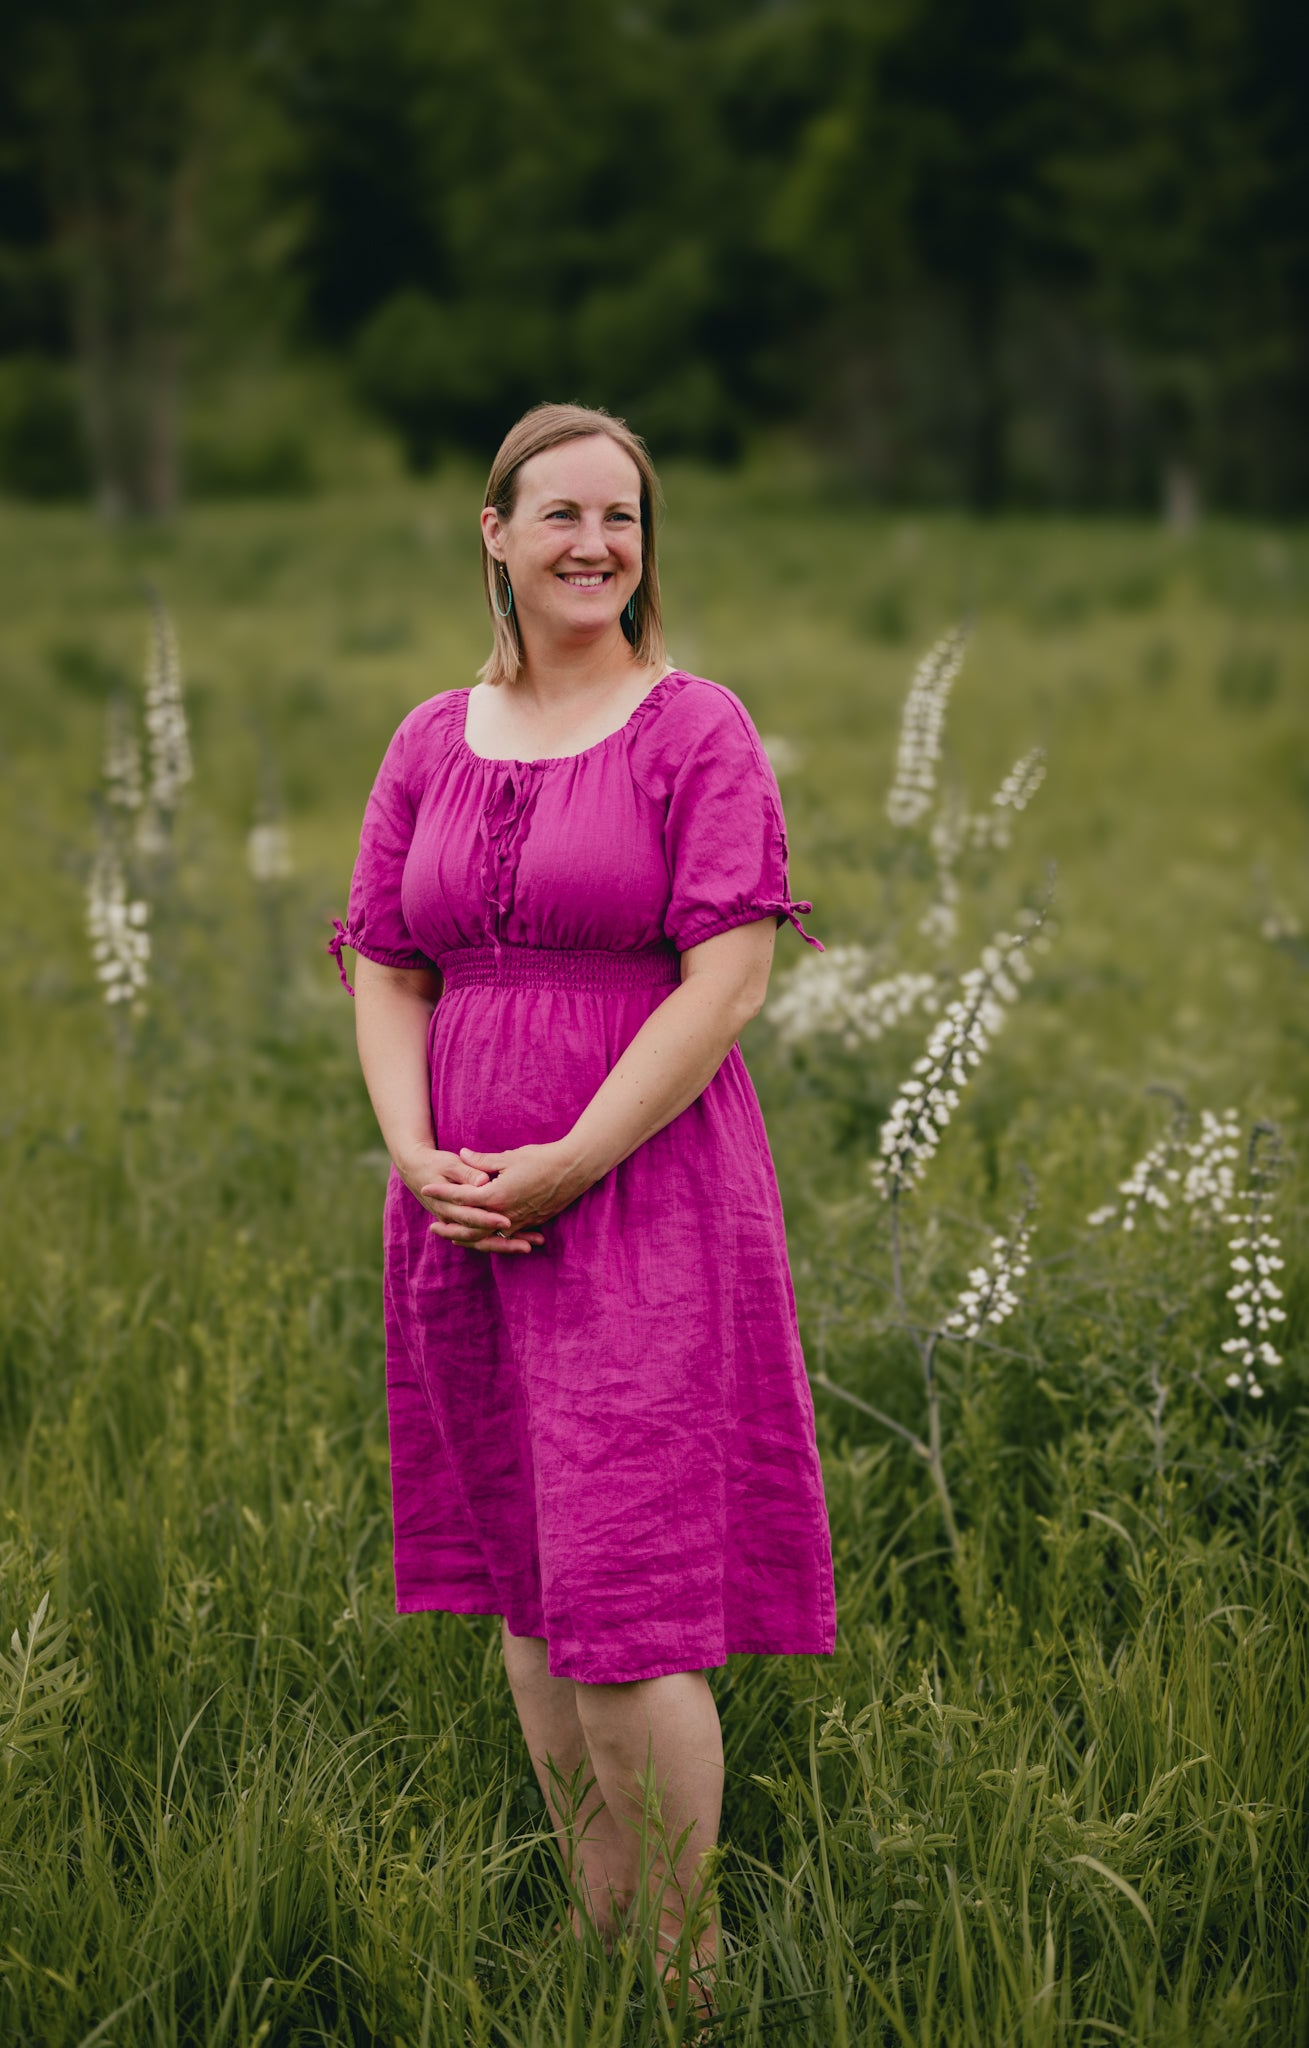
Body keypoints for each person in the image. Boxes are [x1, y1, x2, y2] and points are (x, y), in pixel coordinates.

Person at [330, 402, 836, 2017]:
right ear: (492, 532)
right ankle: (598, 1943)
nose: (594, 545)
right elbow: (385, 967)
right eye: (558, 515)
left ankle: (687, 1983)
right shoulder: (426, 738)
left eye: (621, 518)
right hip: (458, 1213)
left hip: (639, 1198)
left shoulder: (693, 727)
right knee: (533, 1592)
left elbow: (729, 976)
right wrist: (414, 1152)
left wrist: (566, 1160)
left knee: (622, 1597)